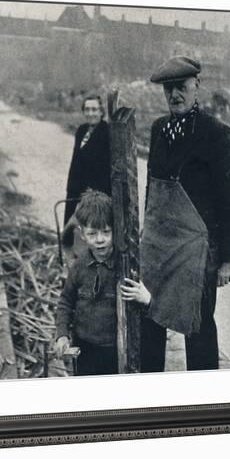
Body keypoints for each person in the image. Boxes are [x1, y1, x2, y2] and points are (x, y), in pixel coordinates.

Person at [140, 56, 230, 372]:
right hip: (160, 248)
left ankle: (203, 395)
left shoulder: (215, 133)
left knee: (197, 326)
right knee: (151, 315)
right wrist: (147, 232)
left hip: (199, 252)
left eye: (181, 87)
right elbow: (152, 190)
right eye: (169, 89)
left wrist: (225, 258)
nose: (175, 95)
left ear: (196, 86)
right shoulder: (159, 129)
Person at [54, 190, 150, 375]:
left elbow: (148, 312)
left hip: (117, 349)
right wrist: (62, 334)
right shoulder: (79, 266)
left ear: (115, 229)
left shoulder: (127, 268)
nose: (100, 240)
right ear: (82, 234)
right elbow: (65, 302)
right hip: (84, 347)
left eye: (106, 232)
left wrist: (146, 299)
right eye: (92, 233)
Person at [63, 95, 112, 248]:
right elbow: (76, 160)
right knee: (71, 230)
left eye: (94, 109)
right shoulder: (81, 130)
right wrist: (72, 188)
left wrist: (91, 195)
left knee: (92, 231)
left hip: (94, 194)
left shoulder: (107, 133)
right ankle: (71, 261)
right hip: (75, 189)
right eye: (87, 109)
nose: (90, 113)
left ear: (101, 111)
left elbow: (106, 168)